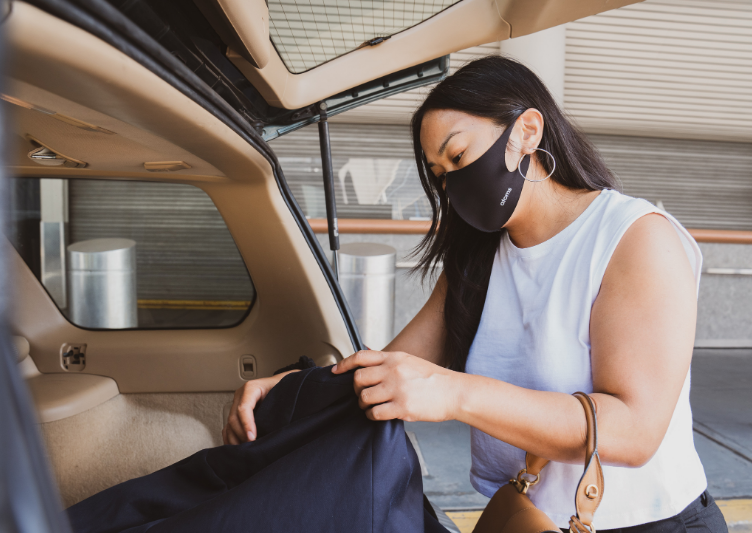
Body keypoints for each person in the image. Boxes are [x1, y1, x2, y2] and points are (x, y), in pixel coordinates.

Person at [223, 56, 727, 533]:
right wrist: (291, 390)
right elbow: (392, 370)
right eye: (440, 175)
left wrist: (454, 393)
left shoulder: (633, 239)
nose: (452, 184)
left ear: (527, 131)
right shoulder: (479, 260)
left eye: (459, 155)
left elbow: (634, 431)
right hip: (528, 518)